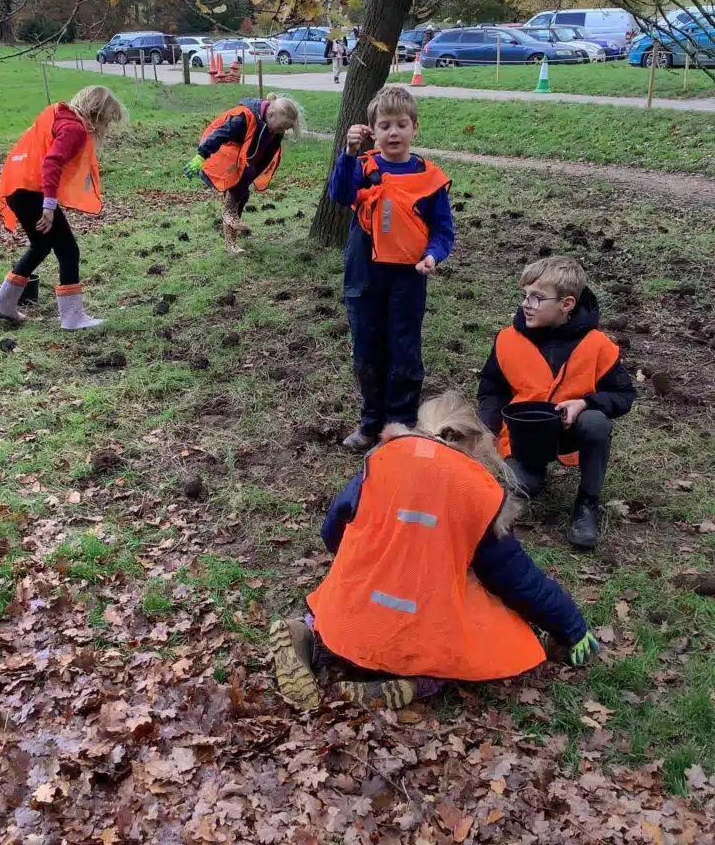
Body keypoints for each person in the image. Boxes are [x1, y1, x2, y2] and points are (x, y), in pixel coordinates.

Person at [269, 392, 598, 710]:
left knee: (342, 593)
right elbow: (518, 579)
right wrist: (571, 626)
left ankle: (307, 630)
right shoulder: (478, 491)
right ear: (472, 442)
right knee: (476, 615)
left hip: (355, 618)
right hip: (420, 628)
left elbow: (332, 534)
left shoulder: (379, 462)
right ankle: (417, 682)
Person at [478, 256, 636, 550]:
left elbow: (624, 395)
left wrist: (585, 403)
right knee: (520, 487)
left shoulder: (597, 344)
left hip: (571, 431)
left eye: (537, 298)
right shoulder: (507, 339)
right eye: (524, 295)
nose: (527, 304)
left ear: (567, 304)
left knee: (596, 422)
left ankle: (587, 504)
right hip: (523, 436)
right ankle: (533, 474)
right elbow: (491, 390)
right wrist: (488, 429)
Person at [329, 86, 454, 451]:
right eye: (384, 126)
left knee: (404, 351)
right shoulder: (362, 166)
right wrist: (349, 153)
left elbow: (443, 231)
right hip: (363, 276)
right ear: (373, 130)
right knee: (367, 350)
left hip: (408, 278)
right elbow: (340, 195)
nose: (393, 132)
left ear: (415, 127)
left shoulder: (429, 179)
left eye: (401, 124)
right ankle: (370, 424)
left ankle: (400, 427)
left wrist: (434, 255)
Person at [0, 86, 128, 330]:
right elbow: (51, 162)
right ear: (97, 114)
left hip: (18, 190)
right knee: (68, 250)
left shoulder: (61, 118)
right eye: (107, 121)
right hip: (33, 193)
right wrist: (49, 205)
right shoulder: (74, 129)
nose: (107, 129)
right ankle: (73, 317)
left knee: (42, 245)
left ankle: (4, 304)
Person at [184, 95, 301, 253]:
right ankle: (229, 218)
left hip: (243, 161)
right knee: (238, 189)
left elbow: (264, 158)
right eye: (281, 127)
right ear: (271, 114)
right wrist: (201, 155)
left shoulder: (276, 133)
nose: (281, 131)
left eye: (285, 129)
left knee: (242, 193)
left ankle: (231, 235)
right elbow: (219, 134)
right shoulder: (243, 118)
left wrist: (248, 179)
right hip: (222, 153)